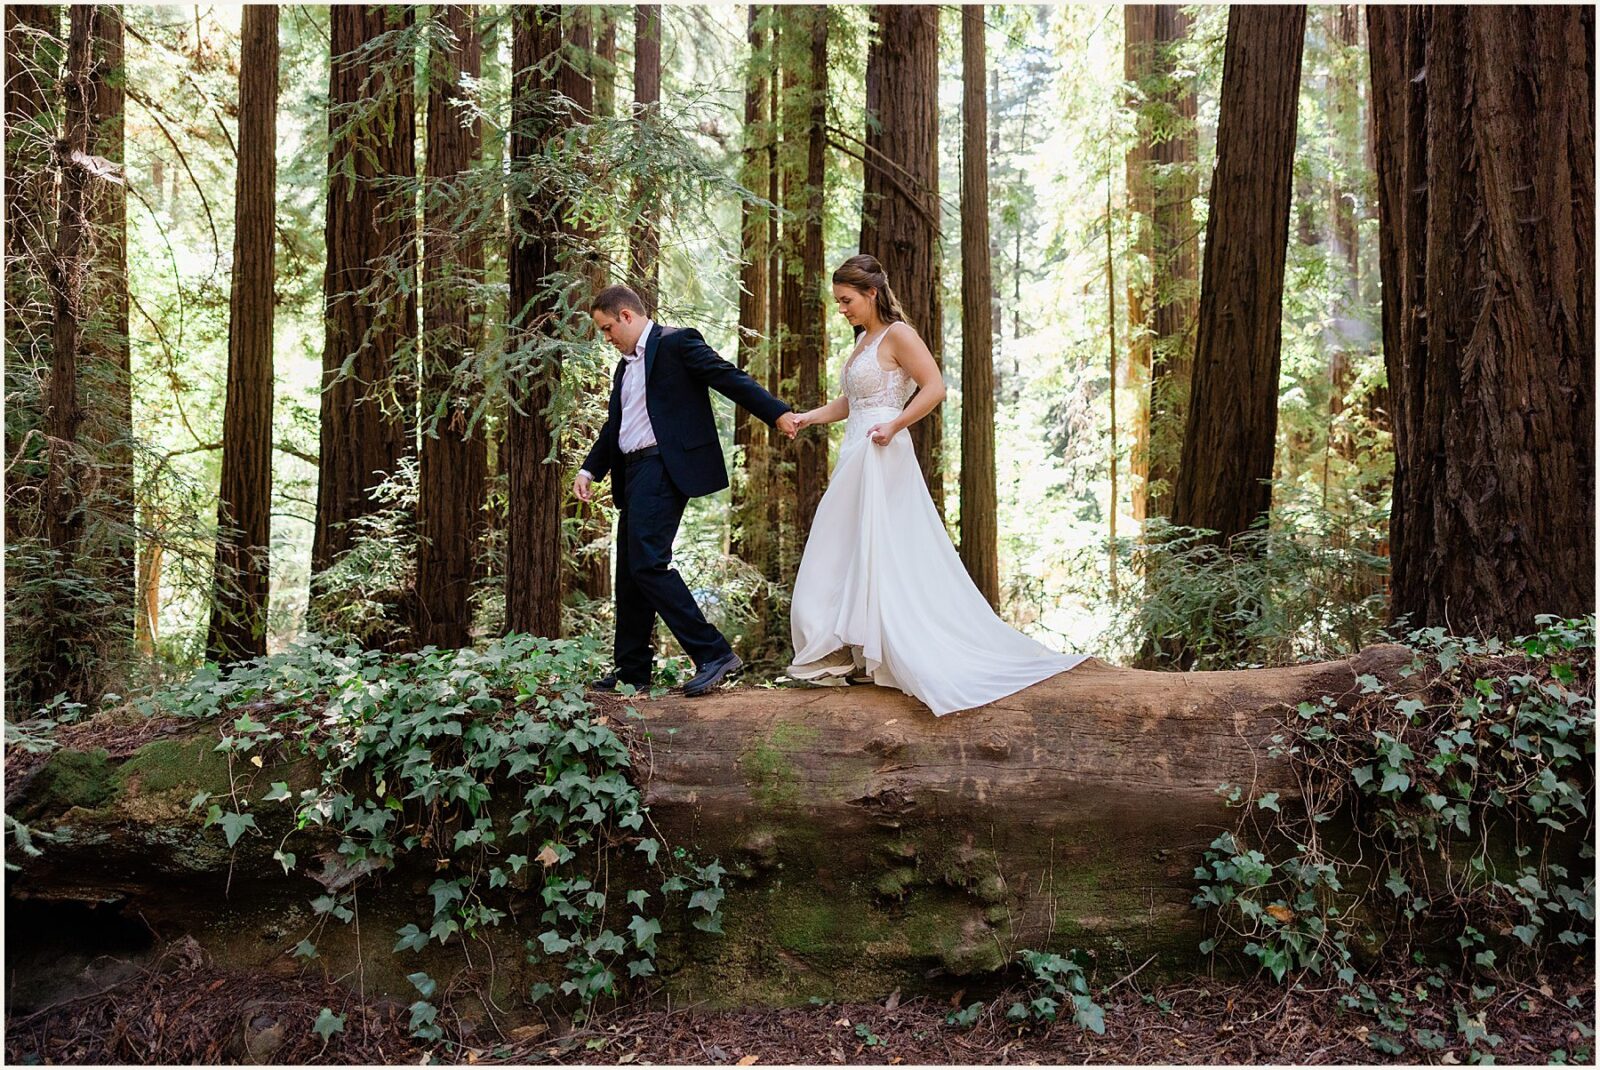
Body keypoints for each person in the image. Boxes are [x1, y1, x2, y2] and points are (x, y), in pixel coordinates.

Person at [784, 254, 1090, 716]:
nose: (841, 309)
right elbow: (853, 400)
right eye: (838, 302)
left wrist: (895, 425)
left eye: (846, 300)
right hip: (857, 451)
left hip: (883, 449)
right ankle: (846, 651)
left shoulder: (898, 334)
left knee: (878, 550)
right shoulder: (865, 340)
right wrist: (809, 417)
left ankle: (872, 650)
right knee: (842, 548)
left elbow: (935, 387)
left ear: (870, 293)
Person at [575, 285, 801, 697]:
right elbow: (616, 427)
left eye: (607, 328)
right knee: (629, 571)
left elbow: (727, 376)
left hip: (665, 466)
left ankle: (713, 652)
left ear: (627, 316)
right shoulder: (625, 368)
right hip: (633, 472)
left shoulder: (677, 342)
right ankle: (632, 671)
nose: (606, 337)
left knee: (647, 562)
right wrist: (591, 469)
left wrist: (777, 412)